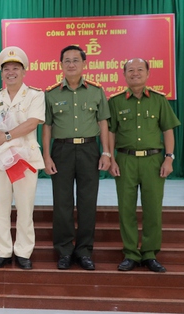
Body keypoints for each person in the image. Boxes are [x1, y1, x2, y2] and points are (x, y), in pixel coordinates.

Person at [108, 58, 180, 273]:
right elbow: (111, 132)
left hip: (153, 161)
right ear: (124, 74)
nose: (135, 73)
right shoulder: (116, 101)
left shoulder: (159, 100)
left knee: (153, 209)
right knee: (126, 209)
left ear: (148, 73)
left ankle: (149, 254)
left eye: (140, 70)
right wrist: (111, 158)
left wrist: (169, 158)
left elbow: (168, 130)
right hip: (125, 160)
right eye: (130, 70)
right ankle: (130, 253)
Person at [42, 45, 111, 271]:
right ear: (60, 65)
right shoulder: (51, 94)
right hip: (61, 151)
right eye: (67, 61)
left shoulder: (96, 91)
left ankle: (84, 251)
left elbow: (103, 123)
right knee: (62, 203)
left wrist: (106, 152)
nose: (71, 64)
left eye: (75, 60)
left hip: (89, 150)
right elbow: (47, 127)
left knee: (87, 202)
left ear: (84, 64)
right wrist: (46, 156)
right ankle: (63, 250)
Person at [0, 47, 45, 270]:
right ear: (1, 74)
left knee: (25, 207)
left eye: (15, 68)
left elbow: (32, 122)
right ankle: (2, 251)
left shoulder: (36, 95)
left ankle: (23, 252)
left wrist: (6, 135)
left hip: (25, 158)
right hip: (0, 160)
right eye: (6, 69)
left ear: (24, 71)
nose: (11, 72)